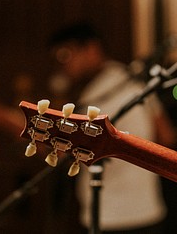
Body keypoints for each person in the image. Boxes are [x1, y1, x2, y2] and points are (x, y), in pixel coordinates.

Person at [48, 21, 176, 234]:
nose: (63, 65)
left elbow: (61, 151)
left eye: (65, 55)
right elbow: (166, 135)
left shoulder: (99, 95)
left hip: (112, 214)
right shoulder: (132, 81)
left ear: (91, 49)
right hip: (148, 209)